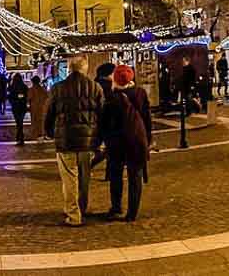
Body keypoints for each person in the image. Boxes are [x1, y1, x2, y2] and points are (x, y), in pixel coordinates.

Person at [44, 54, 104, 227]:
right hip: (88, 142)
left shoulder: (57, 88)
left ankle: (73, 214)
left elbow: (49, 113)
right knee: (84, 178)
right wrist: (99, 137)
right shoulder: (95, 88)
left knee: (70, 179)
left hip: (65, 141)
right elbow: (102, 114)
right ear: (85, 68)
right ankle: (82, 208)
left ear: (69, 69)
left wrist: (50, 132)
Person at [101, 65, 152, 222]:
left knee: (116, 175)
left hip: (117, 142)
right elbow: (146, 119)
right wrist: (148, 138)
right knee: (135, 176)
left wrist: (103, 140)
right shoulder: (140, 93)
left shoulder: (111, 98)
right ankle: (132, 212)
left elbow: (105, 123)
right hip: (137, 139)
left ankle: (116, 207)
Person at [91, 63, 116, 175]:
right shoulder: (109, 86)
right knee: (110, 148)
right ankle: (108, 173)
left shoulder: (94, 84)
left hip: (97, 121)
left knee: (101, 147)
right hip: (107, 120)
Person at [8, 73, 29, 145]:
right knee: (20, 122)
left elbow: (10, 97)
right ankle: (20, 138)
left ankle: (19, 138)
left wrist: (14, 101)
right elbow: (27, 96)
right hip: (22, 107)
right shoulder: (24, 86)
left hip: (15, 107)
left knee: (18, 123)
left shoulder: (12, 87)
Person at [28, 75, 49, 140]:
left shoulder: (31, 89)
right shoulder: (43, 89)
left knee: (34, 121)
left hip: (34, 107)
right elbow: (47, 96)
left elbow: (29, 98)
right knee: (41, 120)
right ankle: (41, 133)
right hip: (42, 107)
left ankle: (35, 134)